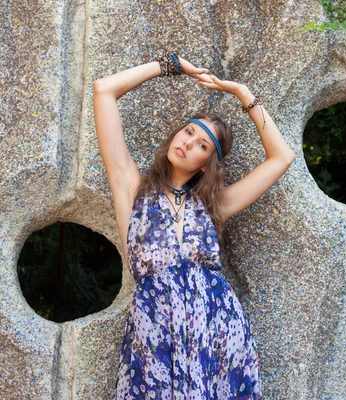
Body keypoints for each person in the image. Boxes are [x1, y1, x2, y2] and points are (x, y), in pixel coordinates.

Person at [93, 53, 295, 399]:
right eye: (188, 131)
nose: (188, 142)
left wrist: (243, 94)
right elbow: (103, 91)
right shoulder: (132, 189)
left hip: (217, 333)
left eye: (202, 144)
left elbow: (282, 157)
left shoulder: (215, 206)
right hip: (155, 334)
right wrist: (171, 66)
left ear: (206, 165)